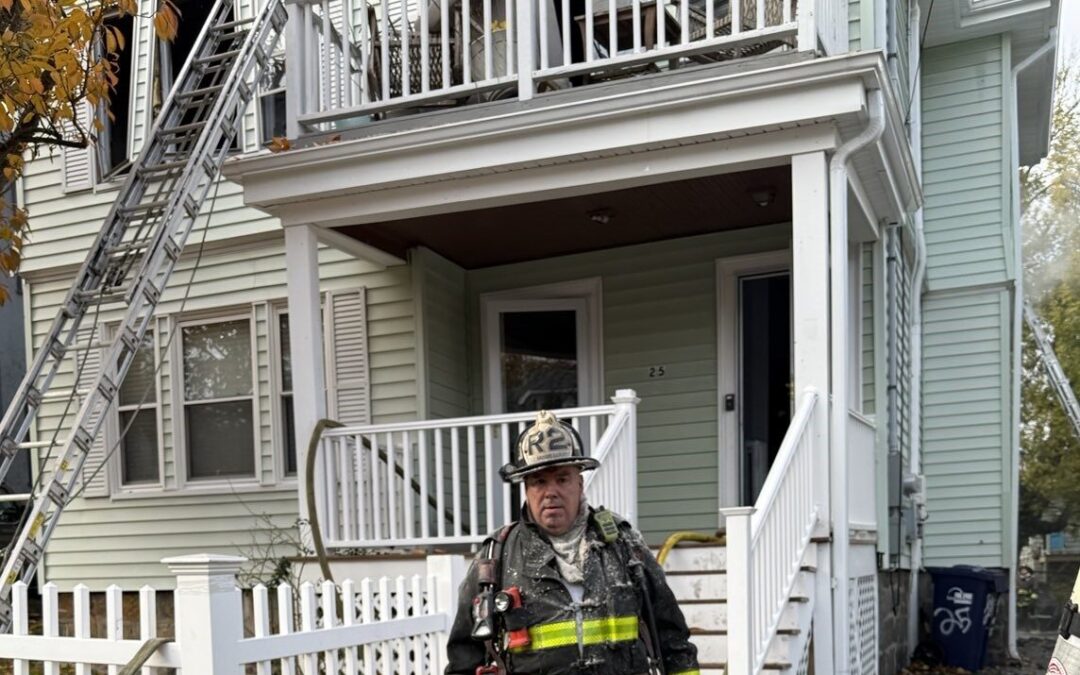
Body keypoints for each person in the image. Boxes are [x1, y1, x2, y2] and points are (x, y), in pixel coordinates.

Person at [445, 410, 700, 675]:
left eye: (562, 479)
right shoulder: (497, 557)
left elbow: (674, 642)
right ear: (526, 490)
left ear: (580, 483)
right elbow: (464, 659)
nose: (550, 492)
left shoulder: (623, 545)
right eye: (539, 481)